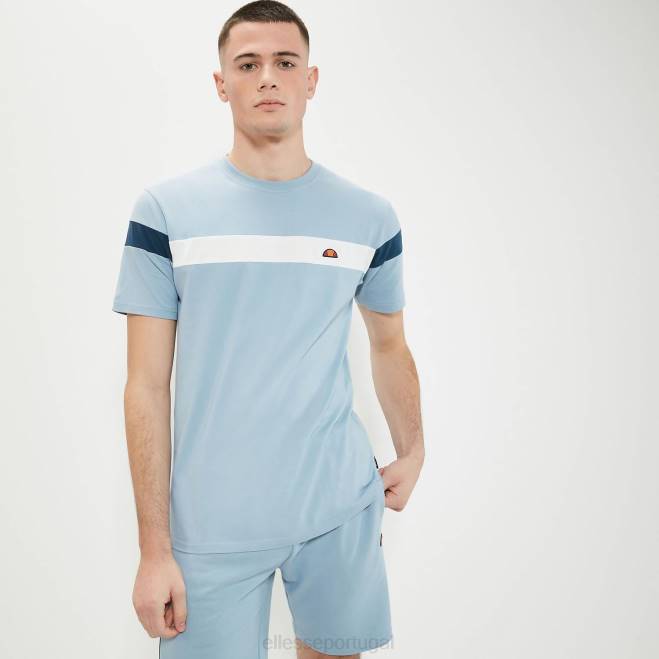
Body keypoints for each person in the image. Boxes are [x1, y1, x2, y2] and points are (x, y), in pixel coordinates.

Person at [111, 1, 424, 657]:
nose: (268, 78)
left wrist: (413, 448)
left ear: (311, 79)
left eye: (285, 62)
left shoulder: (368, 217)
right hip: (211, 523)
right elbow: (145, 384)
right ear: (221, 83)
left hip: (338, 506)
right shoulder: (166, 211)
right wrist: (153, 549)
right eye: (247, 64)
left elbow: (389, 343)